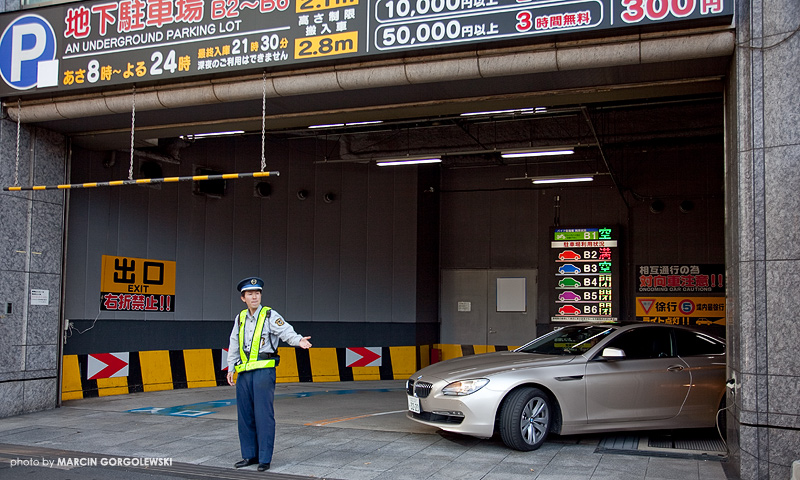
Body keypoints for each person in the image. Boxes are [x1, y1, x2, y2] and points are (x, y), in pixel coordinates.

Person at [227, 276, 312, 472]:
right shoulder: (239, 318)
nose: (254, 297)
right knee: (245, 415)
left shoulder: (269, 315)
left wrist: (298, 340)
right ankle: (249, 456)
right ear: (243, 298)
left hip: (264, 372)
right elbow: (234, 343)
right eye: (250, 294)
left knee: (263, 415)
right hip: (244, 373)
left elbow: (286, 331)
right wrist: (231, 367)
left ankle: (264, 458)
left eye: (257, 293)